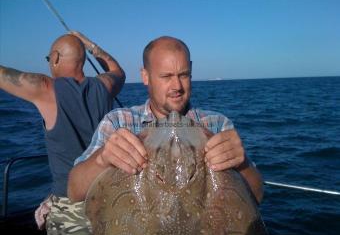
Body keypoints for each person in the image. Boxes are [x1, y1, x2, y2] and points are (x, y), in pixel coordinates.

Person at [68, 36, 263, 207]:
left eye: (184, 75)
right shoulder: (118, 122)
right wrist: (102, 158)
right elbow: (74, 191)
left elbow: (257, 196)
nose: (177, 86)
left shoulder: (217, 124)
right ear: (145, 76)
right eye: (166, 76)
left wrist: (242, 164)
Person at [0, 31, 125, 235]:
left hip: (71, 206)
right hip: (106, 199)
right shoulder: (104, 86)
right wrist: (89, 44)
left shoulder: (45, 88)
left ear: (56, 57)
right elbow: (118, 71)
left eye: (49, 59)